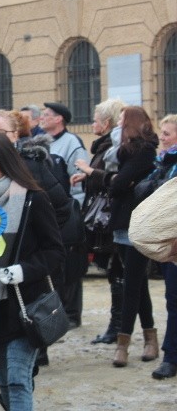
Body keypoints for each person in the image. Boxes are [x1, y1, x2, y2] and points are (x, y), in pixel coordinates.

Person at [0, 132, 64, 411]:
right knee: (6, 382)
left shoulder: (33, 197)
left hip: (24, 306)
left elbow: (56, 251)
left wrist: (23, 270)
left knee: (20, 379)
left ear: (7, 161)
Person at [107, 106, 159, 367]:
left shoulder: (143, 149)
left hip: (137, 222)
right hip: (124, 223)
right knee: (138, 283)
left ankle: (122, 343)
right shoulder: (126, 150)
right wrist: (118, 181)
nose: (117, 123)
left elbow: (118, 183)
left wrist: (119, 181)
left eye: (121, 119)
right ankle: (151, 338)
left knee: (131, 285)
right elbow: (118, 183)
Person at [71, 99, 125, 345]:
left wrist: (88, 172)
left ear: (106, 123)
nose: (92, 123)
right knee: (116, 274)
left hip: (111, 220)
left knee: (118, 273)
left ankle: (118, 328)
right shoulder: (105, 146)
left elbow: (111, 180)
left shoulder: (113, 146)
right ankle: (117, 327)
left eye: (95, 119)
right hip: (107, 219)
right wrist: (87, 175)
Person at [133, 114, 177, 378]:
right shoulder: (161, 163)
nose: (162, 137)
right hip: (172, 245)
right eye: (162, 132)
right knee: (173, 301)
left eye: (168, 133)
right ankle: (171, 356)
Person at [40, 102, 89, 329]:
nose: (42, 117)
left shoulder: (72, 143)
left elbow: (78, 181)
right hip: (47, 214)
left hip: (67, 213)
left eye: (47, 114)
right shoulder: (43, 142)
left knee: (71, 264)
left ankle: (72, 314)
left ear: (59, 119)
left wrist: (74, 213)